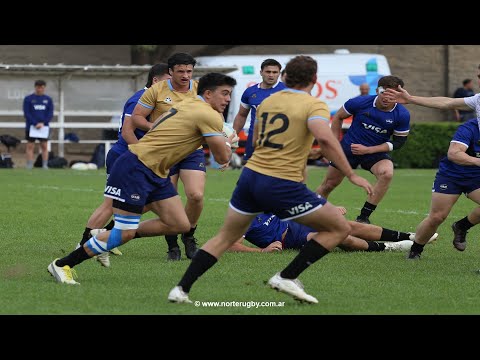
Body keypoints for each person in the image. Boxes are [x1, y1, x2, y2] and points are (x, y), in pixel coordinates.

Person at [168, 55, 374, 304]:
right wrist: (351, 173)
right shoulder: (314, 104)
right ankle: (287, 276)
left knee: (223, 238)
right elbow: (327, 139)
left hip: (250, 177)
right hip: (280, 182)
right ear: (314, 79)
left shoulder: (268, 101)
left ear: (285, 77)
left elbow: (256, 136)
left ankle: (181, 289)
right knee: (339, 227)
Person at [47, 72, 238, 285]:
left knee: (179, 224)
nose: (228, 99)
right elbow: (222, 157)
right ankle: (63, 264)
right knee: (125, 233)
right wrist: (228, 142)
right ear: (209, 93)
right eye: (225, 93)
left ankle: (104, 236)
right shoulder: (207, 114)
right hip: (137, 168)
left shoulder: (190, 104)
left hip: (156, 171)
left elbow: (163, 130)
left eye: (229, 94)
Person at [76, 63, 171, 267]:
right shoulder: (138, 99)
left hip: (141, 159)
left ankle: (106, 239)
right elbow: (127, 133)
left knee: (145, 203)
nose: (171, 86)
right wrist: (146, 157)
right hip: (125, 156)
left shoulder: (158, 101)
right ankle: (83, 244)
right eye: (167, 81)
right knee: (111, 204)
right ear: (155, 81)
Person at [384, 80, 480, 259]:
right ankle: (416, 250)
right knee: (437, 217)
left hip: (476, 176)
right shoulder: (471, 125)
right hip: (453, 174)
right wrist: (411, 99)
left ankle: (462, 226)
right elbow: (447, 104)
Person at [131, 53, 205, 261]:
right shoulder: (157, 90)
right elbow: (137, 117)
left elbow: (213, 118)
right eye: (181, 71)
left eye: (189, 71)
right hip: (165, 153)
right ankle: (172, 247)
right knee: (168, 200)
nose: (185, 75)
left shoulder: (199, 89)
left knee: (196, 196)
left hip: (192, 150)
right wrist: (153, 126)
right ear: (170, 71)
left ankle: (189, 236)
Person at [316, 75, 410, 224]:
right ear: (377, 90)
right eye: (383, 93)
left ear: (399, 95)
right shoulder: (359, 102)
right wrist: (334, 144)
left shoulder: (402, 114)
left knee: (387, 173)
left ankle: (363, 217)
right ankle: (313, 217)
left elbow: (399, 142)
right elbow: (338, 117)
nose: (386, 98)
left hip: (374, 152)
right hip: (347, 150)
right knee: (328, 184)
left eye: (392, 95)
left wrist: (369, 150)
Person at [228, 208, 438, 253]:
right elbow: (230, 245)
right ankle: (388, 248)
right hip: (291, 238)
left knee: (350, 226)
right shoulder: (241, 219)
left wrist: (328, 210)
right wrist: (261, 251)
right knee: (340, 237)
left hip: (299, 223)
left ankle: (411, 236)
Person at [232, 58, 286, 162]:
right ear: (261, 72)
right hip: (254, 141)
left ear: (279, 74)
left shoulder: (286, 91)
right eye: (268, 72)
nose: (271, 75)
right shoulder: (250, 92)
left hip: (279, 141)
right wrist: (232, 136)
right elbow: (241, 115)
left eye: (275, 72)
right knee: (250, 176)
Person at [23, 79, 54, 169]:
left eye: (42, 87)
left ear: (44, 88)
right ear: (35, 87)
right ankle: (29, 165)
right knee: (30, 146)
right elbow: (27, 113)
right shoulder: (28, 99)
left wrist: (43, 123)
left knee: (44, 146)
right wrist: (35, 123)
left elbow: (50, 113)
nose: (40, 89)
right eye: (38, 87)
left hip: (43, 127)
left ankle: (45, 165)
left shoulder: (48, 99)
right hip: (31, 127)